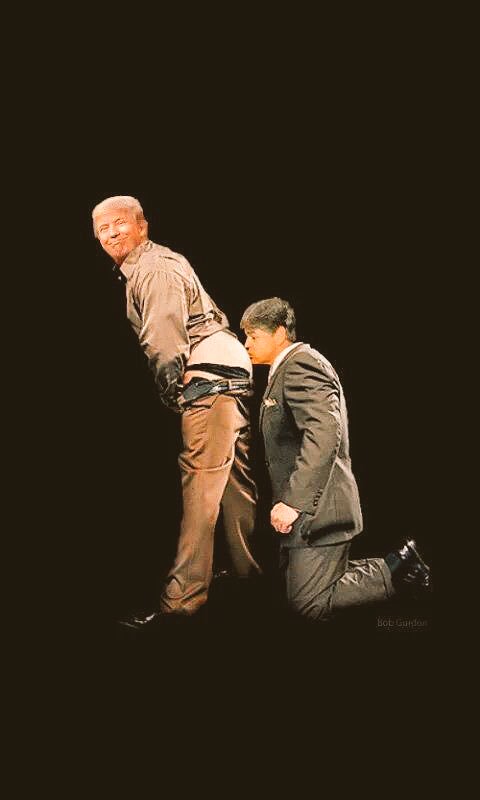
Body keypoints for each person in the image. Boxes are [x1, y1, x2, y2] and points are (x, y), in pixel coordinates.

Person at [92, 196, 261, 626]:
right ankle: (248, 579)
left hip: (208, 379)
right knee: (233, 484)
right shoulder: (158, 263)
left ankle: (182, 601)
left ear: (142, 227)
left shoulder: (152, 269)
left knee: (200, 487)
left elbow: (165, 343)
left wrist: (172, 393)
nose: (110, 234)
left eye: (119, 224)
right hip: (229, 374)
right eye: (101, 229)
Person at [240, 297, 430, 621]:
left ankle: (400, 568)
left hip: (317, 511)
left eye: (253, 336)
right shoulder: (284, 369)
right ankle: (399, 565)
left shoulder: (300, 364)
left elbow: (325, 433)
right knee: (295, 592)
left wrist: (294, 503)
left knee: (309, 603)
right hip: (307, 511)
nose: (246, 344)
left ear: (280, 333)